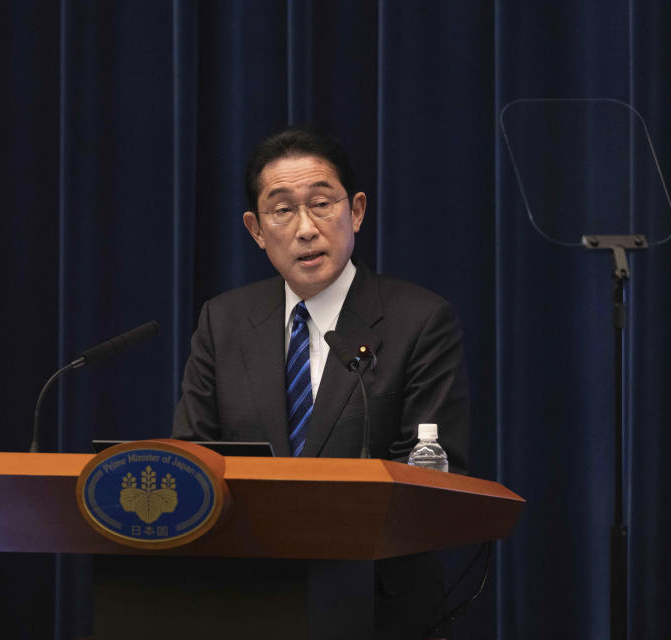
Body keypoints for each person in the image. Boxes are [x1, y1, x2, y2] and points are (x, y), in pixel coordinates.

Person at [172, 126, 470, 639]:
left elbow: (434, 476)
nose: (305, 228)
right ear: (256, 229)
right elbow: (193, 456)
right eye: (282, 209)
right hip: (246, 601)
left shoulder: (419, 320)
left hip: (376, 607)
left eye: (321, 203)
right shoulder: (223, 322)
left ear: (355, 211)